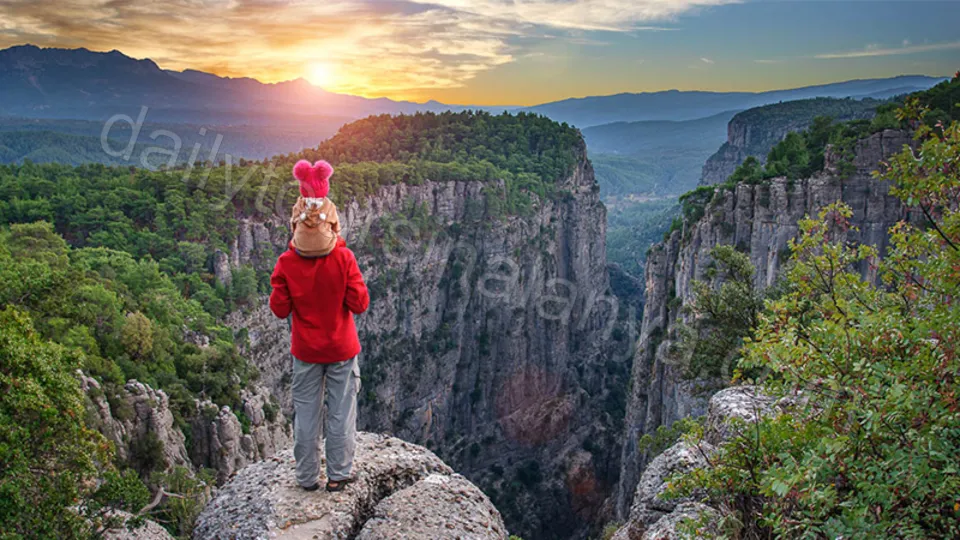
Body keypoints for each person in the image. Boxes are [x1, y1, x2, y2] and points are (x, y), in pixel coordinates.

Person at [269, 159, 369, 492]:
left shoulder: (286, 262)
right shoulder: (344, 258)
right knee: (340, 412)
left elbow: (279, 309)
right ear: (331, 221)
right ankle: (339, 476)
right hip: (341, 349)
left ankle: (307, 478)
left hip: (306, 351)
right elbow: (360, 303)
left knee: (307, 415)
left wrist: (287, 280)